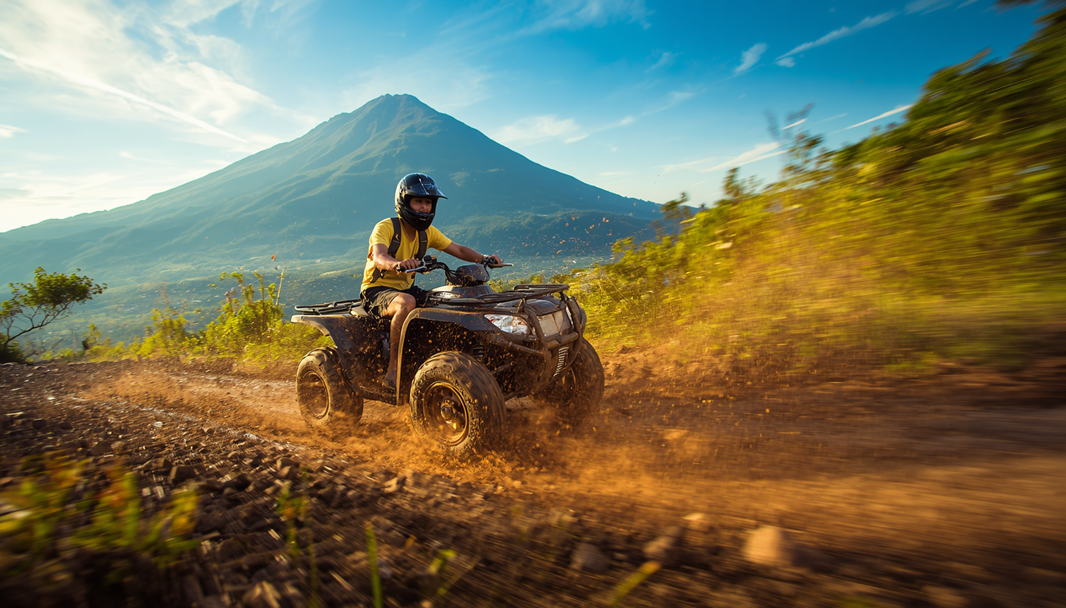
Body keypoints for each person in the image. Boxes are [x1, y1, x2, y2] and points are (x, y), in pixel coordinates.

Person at [360, 173, 503, 391]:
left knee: (449, 303)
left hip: (406, 288)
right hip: (376, 291)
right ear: (404, 202)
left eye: (428, 202)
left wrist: (483, 258)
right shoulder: (386, 227)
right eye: (418, 201)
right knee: (407, 303)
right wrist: (397, 264)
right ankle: (393, 371)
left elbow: (458, 249)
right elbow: (379, 257)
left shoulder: (427, 233)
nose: (424, 207)